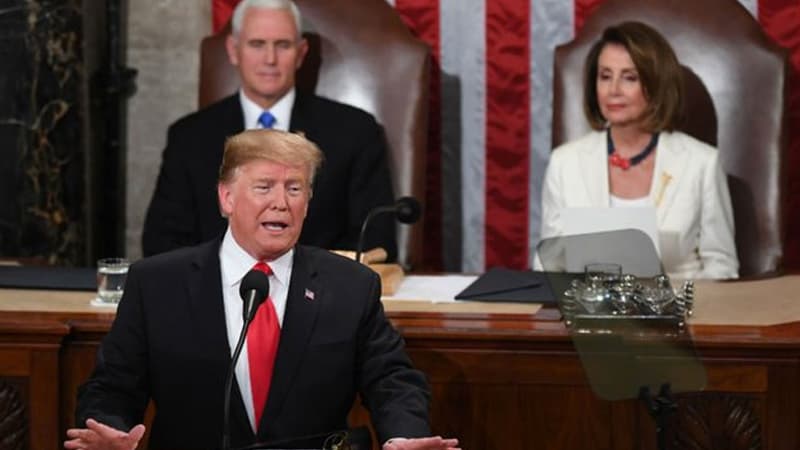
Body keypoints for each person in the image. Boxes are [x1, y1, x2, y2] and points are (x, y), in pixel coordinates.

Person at [66, 130, 458, 450]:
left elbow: (392, 379)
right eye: (264, 186)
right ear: (227, 197)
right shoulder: (157, 284)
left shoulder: (351, 285)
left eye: (294, 188)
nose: (281, 203)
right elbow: (113, 385)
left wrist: (405, 435)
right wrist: (109, 430)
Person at [142, 0, 397, 260]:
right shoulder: (189, 137)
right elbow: (163, 243)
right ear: (233, 50)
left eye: (282, 45)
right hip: (214, 293)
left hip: (317, 293)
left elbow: (374, 241)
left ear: (300, 53)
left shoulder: (354, 132)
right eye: (257, 44)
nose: (270, 59)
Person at [540, 21, 739, 279]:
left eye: (629, 78)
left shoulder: (702, 163)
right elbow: (549, 265)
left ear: (656, 85)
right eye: (605, 76)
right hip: (589, 314)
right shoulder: (564, 163)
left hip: (681, 313)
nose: (614, 91)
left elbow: (721, 265)